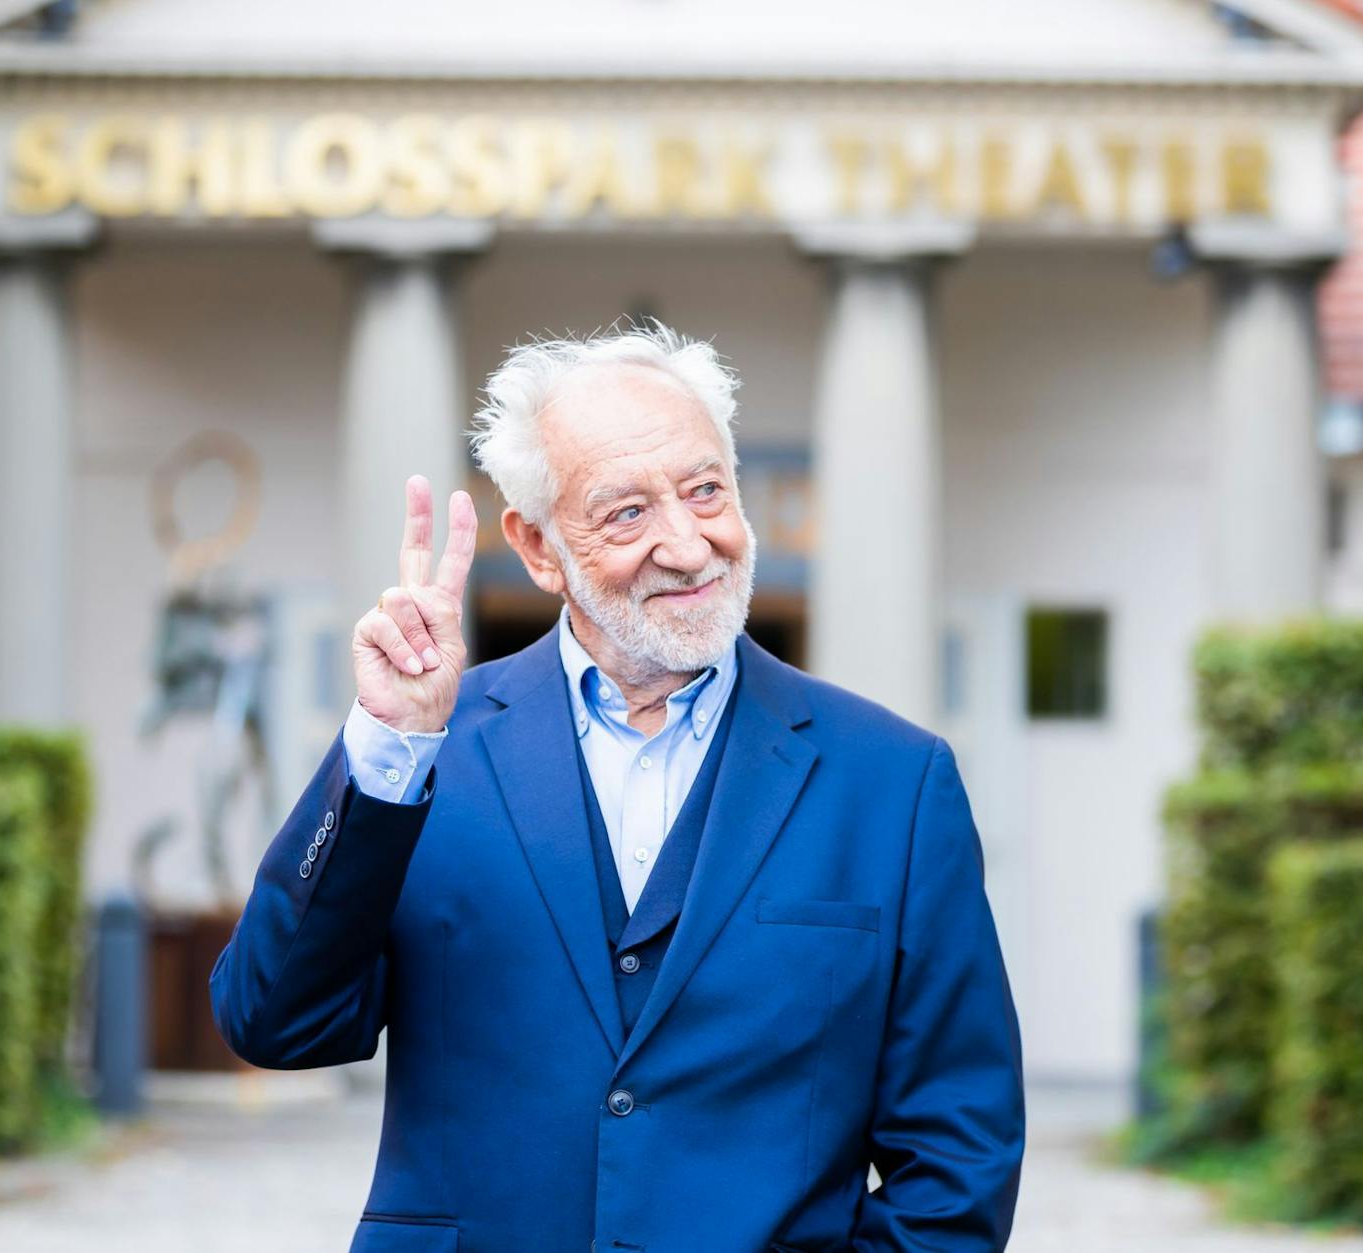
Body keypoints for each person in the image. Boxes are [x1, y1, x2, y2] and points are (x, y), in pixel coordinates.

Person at [210, 320, 1025, 1252]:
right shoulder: (426, 751)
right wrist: (388, 747)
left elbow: (959, 1154)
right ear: (541, 547)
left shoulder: (893, 782)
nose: (687, 544)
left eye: (706, 490)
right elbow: (272, 1021)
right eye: (627, 512)